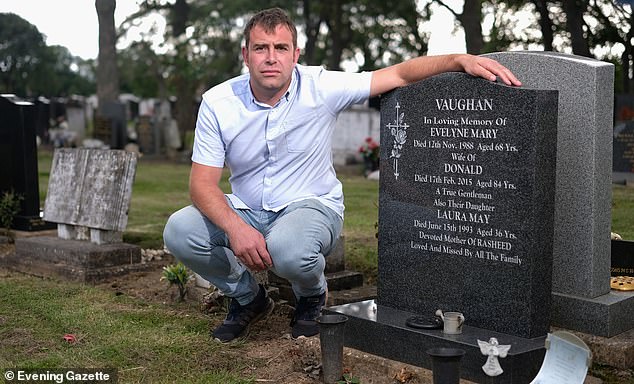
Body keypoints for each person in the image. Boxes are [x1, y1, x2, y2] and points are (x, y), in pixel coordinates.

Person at [163, 7, 521, 343]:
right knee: (180, 231)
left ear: (295, 54)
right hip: (246, 207)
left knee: (288, 250)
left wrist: (459, 59)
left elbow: (397, 73)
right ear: (246, 55)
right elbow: (201, 184)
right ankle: (248, 298)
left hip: (309, 207)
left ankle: (311, 295)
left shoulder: (321, 86)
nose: (271, 57)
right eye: (261, 48)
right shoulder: (218, 102)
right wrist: (237, 228)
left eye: (280, 48)